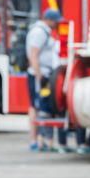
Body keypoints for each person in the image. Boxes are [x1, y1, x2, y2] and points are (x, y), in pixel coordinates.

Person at [26, 8, 62, 151]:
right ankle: (35, 141)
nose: (57, 24)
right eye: (56, 21)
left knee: (40, 106)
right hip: (38, 75)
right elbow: (33, 55)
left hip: (42, 73)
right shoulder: (39, 32)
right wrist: (39, 76)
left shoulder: (43, 31)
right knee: (36, 106)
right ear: (49, 20)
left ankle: (39, 140)